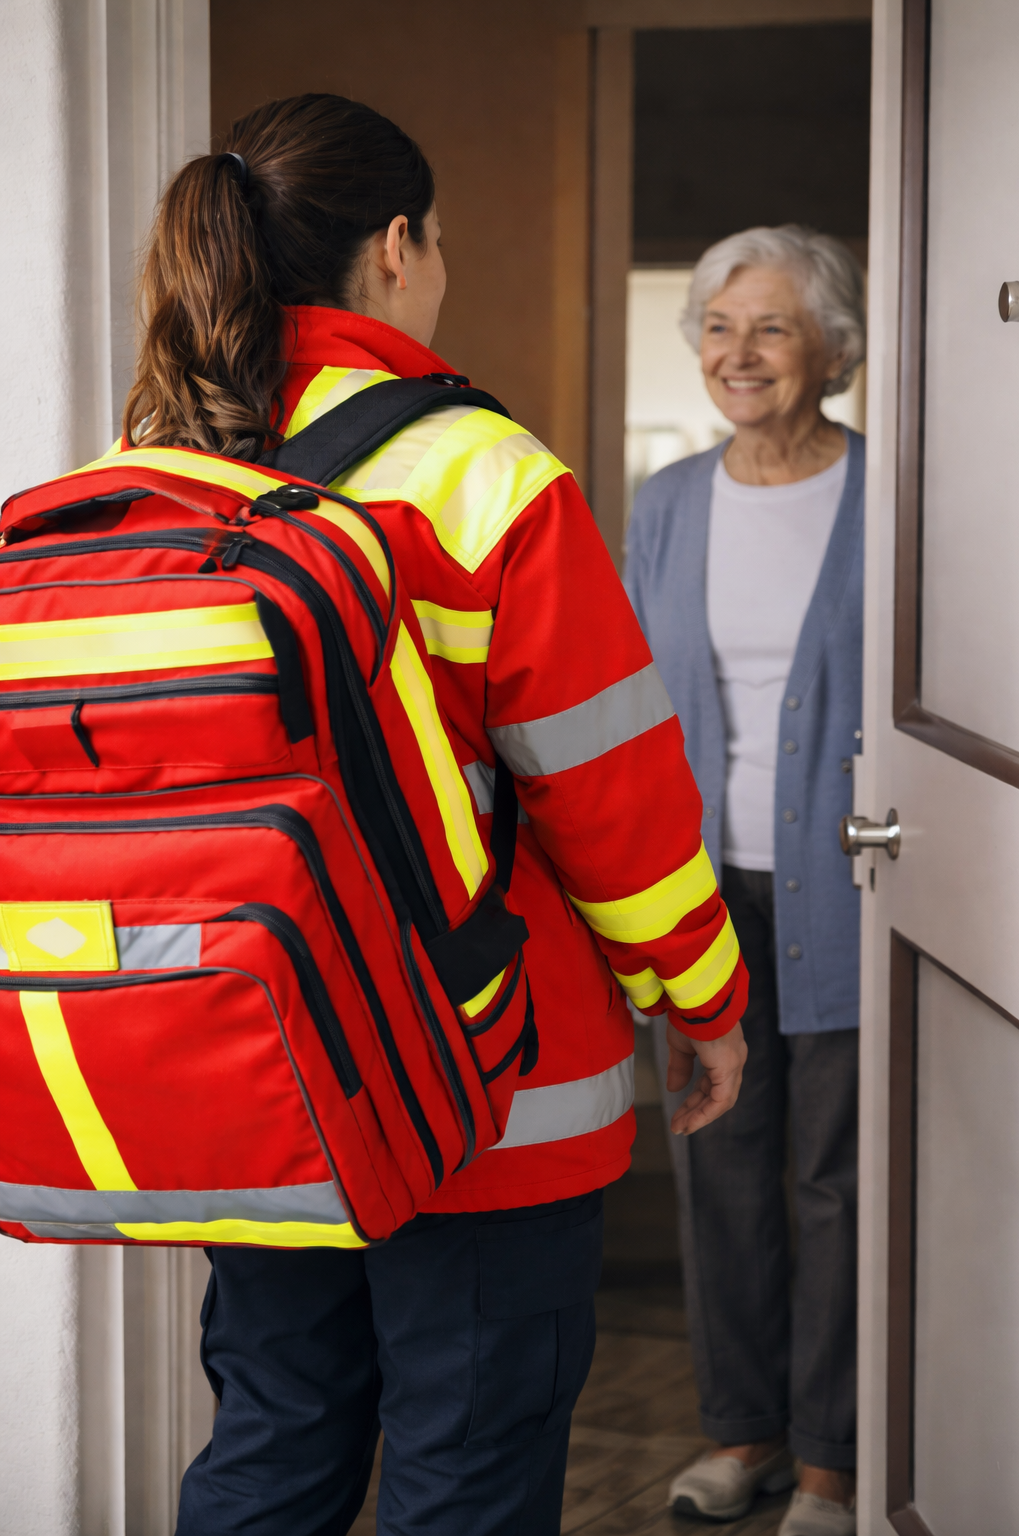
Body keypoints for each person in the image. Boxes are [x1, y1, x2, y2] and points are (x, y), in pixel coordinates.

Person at [120, 95, 750, 1536]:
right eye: (441, 243)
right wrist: (702, 998)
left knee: (272, 1441)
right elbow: (611, 792)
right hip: (480, 1088)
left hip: (257, 1069)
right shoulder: (484, 476)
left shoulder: (160, 470)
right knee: (467, 1468)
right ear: (396, 247)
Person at [624, 226, 864, 1536]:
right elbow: (628, 700)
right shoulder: (666, 504)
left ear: (832, 345)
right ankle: (744, 1431)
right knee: (718, 1161)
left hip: (853, 885)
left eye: (771, 326)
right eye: (719, 326)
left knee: (836, 1178)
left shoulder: (886, 495)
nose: (740, 353)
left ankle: (832, 1461)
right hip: (702, 890)